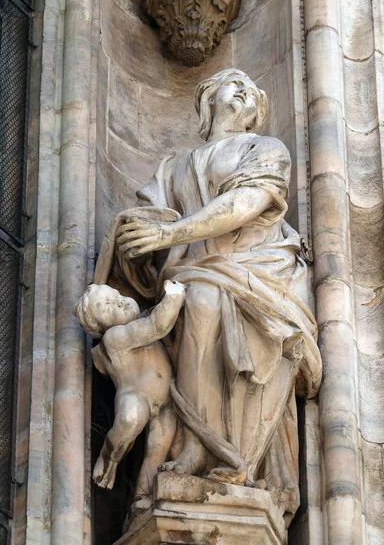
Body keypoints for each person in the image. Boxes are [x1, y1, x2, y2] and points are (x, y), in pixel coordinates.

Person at [95, 68, 322, 517]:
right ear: (207, 97)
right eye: (231, 81)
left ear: (257, 113)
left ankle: (221, 453)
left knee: (200, 294)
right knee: (194, 295)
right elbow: (149, 226)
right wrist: (134, 242)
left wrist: (169, 234)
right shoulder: (172, 168)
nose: (242, 91)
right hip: (192, 273)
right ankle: (198, 446)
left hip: (257, 273)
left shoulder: (264, 148)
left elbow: (248, 203)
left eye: (251, 92)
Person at [73, 280, 186, 494]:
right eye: (108, 306)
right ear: (100, 326)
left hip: (167, 402)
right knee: (129, 419)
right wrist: (175, 295)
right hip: (136, 396)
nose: (120, 302)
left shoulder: (137, 321)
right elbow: (157, 326)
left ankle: (141, 499)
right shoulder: (115, 337)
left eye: (117, 295)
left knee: (156, 455)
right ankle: (109, 456)